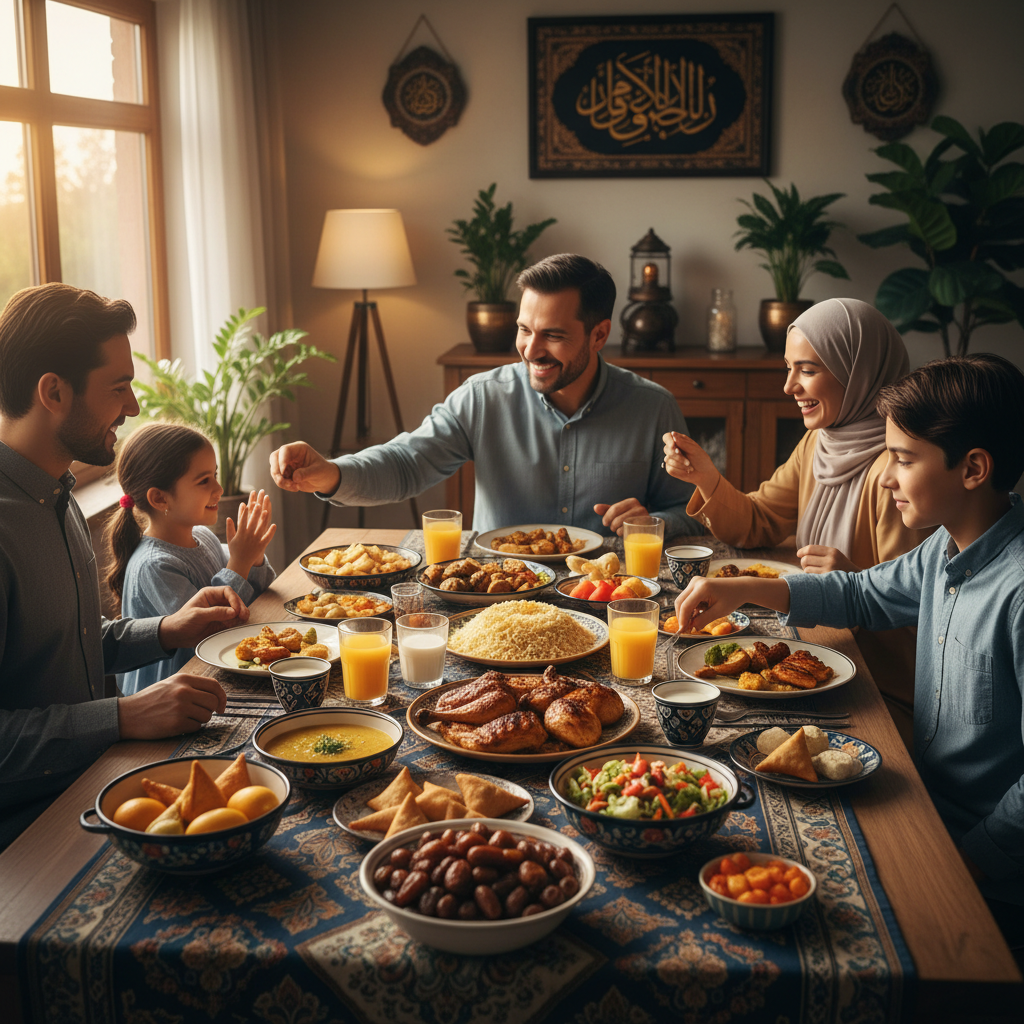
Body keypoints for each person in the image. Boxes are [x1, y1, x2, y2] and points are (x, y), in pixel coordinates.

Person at [673, 353, 1024, 950]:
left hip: (985, 868)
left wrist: (973, 863)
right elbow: (861, 593)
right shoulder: (946, 546)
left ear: (973, 469)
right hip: (920, 803)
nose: (887, 477)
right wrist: (739, 587)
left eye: (905, 460)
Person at [0, 283, 250, 850]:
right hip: (33, 833)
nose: (133, 408)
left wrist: (166, 629)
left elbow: (69, 644)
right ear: (53, 391)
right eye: (119, 388)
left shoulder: (57, 498)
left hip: (99, 779)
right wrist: (121, 716)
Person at [269, 253, 700, 537]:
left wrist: (654, 523)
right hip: (501, 603)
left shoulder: (652, 407)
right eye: (524, 329)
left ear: (599, 334)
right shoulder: (482, 397)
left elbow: (693, 512)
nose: (531, 350)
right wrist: (328, 473)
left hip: (606, 598)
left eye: (552, 335)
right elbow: (406, 464)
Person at [662, 298, 933, 745]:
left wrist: (853, 582)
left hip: (877, 690)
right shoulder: (819, 443)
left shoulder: (901, 472)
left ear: (857, 370)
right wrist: (708, 479)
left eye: (806, 370)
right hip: (816, 643)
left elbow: (921, 608)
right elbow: (761, 521)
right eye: (788, 369)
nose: (789, 386)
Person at [105, 422, 277, 695]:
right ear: (160, 499)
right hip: (171, 698)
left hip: (218, 678)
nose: (219, 489)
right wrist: (239, 562)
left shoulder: (204, 536)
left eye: (215, 475)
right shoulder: (154, 565)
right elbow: (211, 632)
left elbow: (254, 596)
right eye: (204, 480)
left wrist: (253, 558)